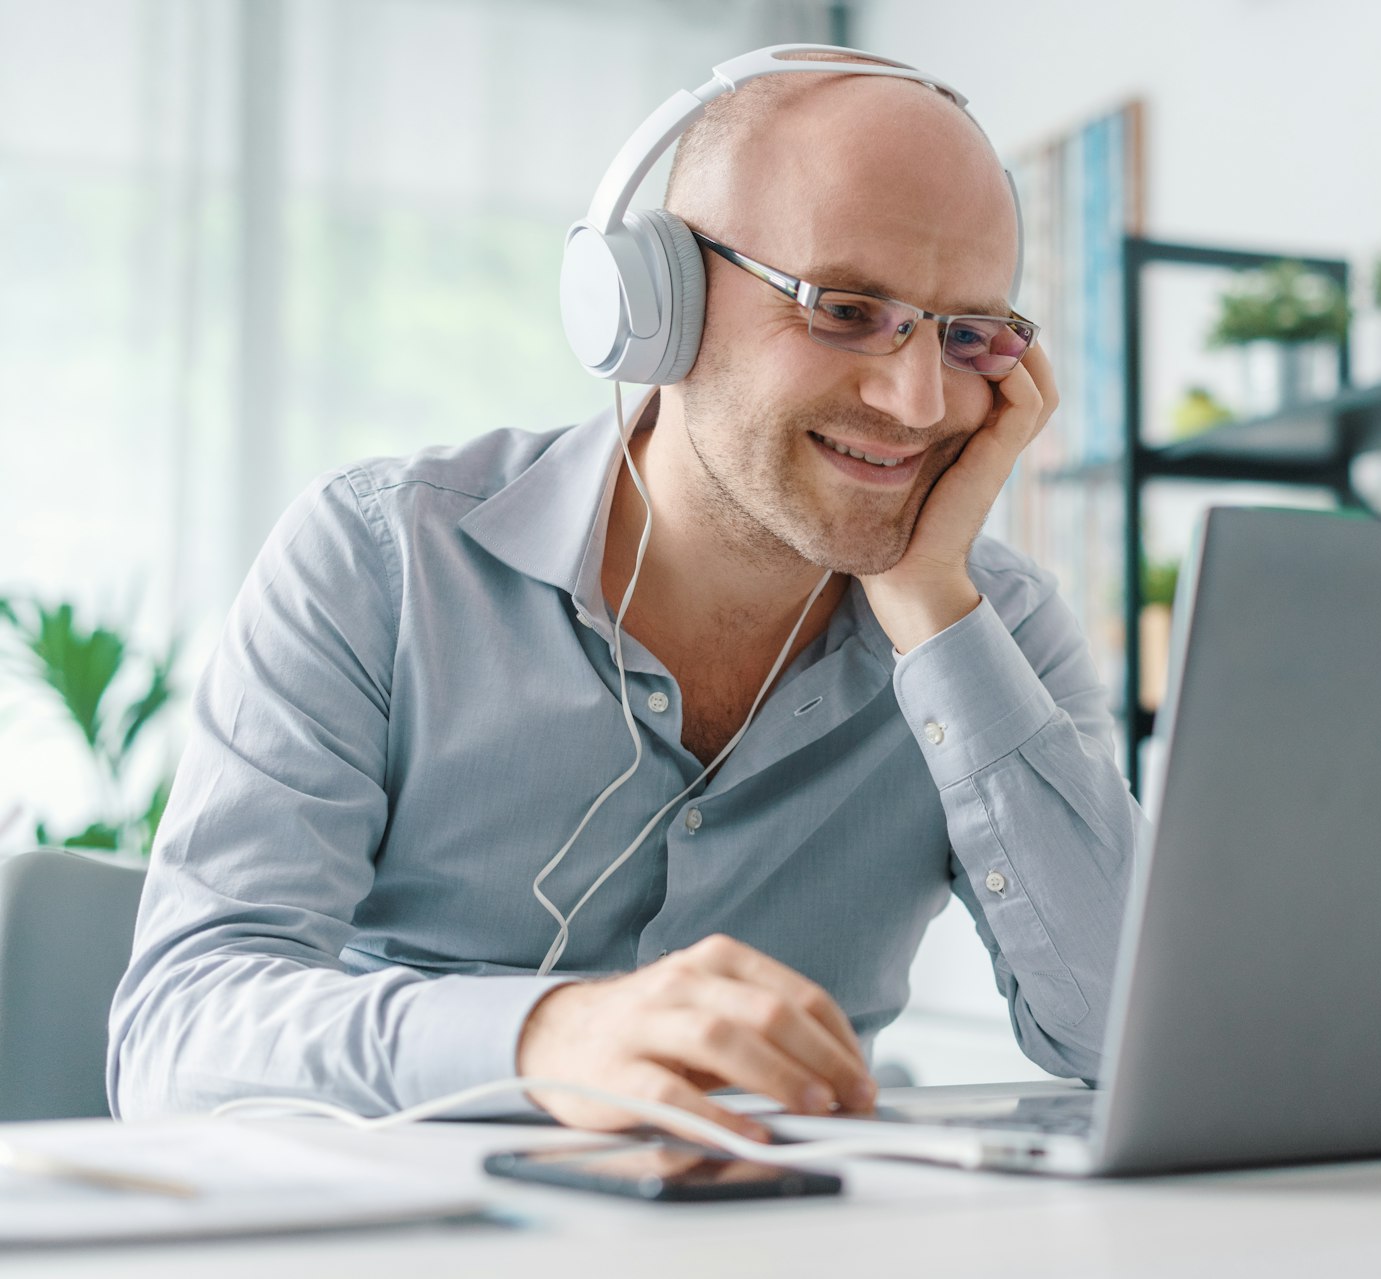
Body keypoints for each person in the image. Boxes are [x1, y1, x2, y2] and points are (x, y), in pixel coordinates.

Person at [108, 52, 1144, 1138]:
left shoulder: (992, 630)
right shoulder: (381, 559)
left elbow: (1129, 1038)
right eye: (845, 309)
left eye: (969, 334)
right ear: (659, 300)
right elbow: (179, 1040)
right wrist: (543, 1035)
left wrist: (934, 608)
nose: (917, 399)